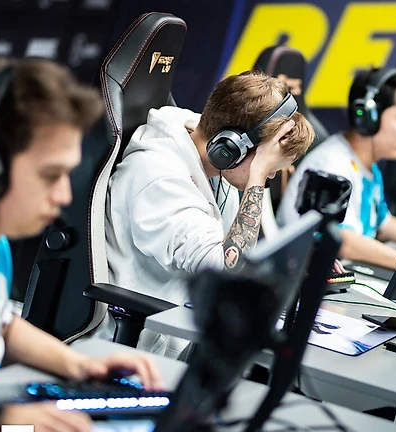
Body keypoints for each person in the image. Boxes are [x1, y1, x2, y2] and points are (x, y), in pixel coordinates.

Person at [0, 56, 163, 432]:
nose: (65, 195)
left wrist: (79, 366)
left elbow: (1, 323)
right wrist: (2, 424)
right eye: (51, 175)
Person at [106, 70, 316, 358]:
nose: (270, 178)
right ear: (231, 148)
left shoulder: (209, 153)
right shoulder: (159, 178)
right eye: (270, 169)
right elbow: (228, 272)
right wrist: (256, 176)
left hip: (185, 324)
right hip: (138, 348)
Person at [277, 67, 396, 290]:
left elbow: (384, 223)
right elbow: (344, 243)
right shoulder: (332, 165)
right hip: (300, 286)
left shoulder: (368, 166)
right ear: (369, 117)